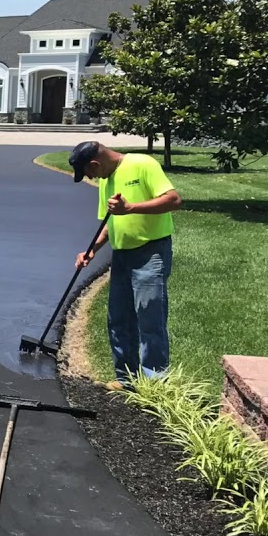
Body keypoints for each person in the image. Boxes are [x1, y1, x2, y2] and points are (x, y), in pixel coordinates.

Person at [69, 141, 182, 391]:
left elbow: (173, 200)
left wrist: (130, 208)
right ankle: (126, 379)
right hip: (121, 256)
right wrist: (91, 250)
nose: (91, 177)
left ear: (95, 163)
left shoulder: (142, 164)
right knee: (118, 319)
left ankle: (155, 384)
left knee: (149, 318)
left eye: (90, 172)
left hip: (150, 252)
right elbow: (109, 223)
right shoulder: (106, 181)